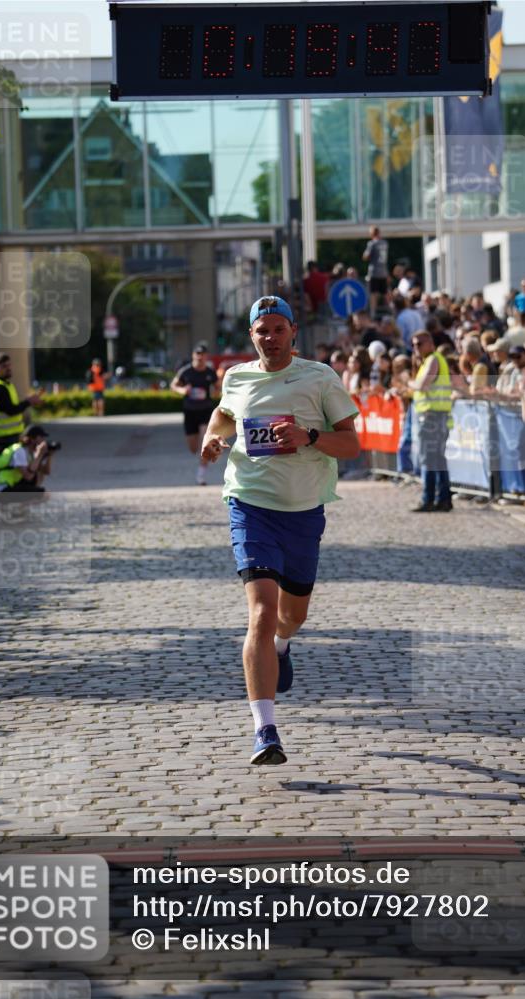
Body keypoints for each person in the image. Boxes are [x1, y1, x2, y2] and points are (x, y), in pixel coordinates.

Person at [200, 295, 360, 766]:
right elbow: (222, 417)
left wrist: (309, 437)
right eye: (261, 330)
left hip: (304, 509)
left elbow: (351, 444)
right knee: (262, 612)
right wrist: (213, 439)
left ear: (293, 331)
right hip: (250, 503)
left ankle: (284, 647)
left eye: (277, 328)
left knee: (291, 618)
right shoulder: (236, 376)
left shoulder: (320, 377)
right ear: (251, 336)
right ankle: (264, 730)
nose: (269, 337)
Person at [408, 331, 453, 512]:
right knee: (437, 460)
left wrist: (409, 383)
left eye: (419, 344)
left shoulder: (434, 359)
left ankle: (429, 499)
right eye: (414, 345)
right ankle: (443, 499)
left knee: (429, 459)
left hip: (432, 417)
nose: (415, 348)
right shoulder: (429, 360)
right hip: (435, 416)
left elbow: (422, 385)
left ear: (430, 344)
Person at [171, 344, 219, 485]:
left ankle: (201, 474)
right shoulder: (186, 372)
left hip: (205, 411)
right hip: (190, 412)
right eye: (197, 354)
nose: (200, 357)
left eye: (202, 354)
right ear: (193, 355)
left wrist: (216, 391)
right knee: (193, 448)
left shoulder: (210, 372)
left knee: (205, 442)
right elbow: (173, 385)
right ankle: (199, 456)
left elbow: (218, 386)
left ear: (206, 356)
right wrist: (183, 390)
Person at [0, 353, 44, 451]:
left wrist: (28, 401)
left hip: (10, 436)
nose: (8, 368)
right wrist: (28, 402)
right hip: (2, 438)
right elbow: (11, 410)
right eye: (4, 366)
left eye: (9, 365)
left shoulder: (7, 385)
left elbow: (13, 407)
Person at [0, 425, 54, 493]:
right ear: (32, 439)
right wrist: (39, 455)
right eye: (41, 438)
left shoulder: (30, 452)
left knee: (38, 478)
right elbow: (28, 476)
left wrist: (49, 455)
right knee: (43, 494)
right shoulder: (19, 451)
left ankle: (27, 501)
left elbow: (46, 471)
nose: (44, 441)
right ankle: (23, 503)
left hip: (9, 484)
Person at [362, 225, 389, 316]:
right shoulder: (385, 243)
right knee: (385, 292)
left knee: (373, 293)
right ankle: (390, 309)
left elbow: (366, 256)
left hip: (374, 272)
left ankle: (373, 312)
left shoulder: (372, 243)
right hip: (383, 271)